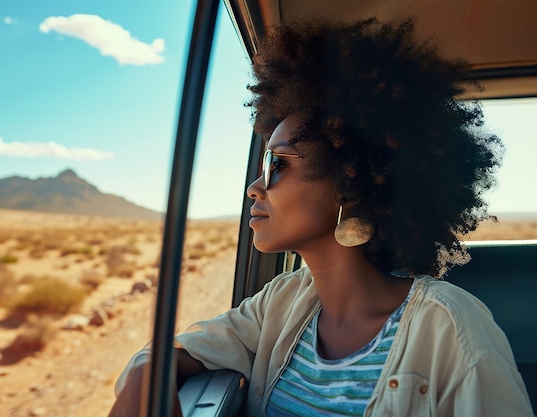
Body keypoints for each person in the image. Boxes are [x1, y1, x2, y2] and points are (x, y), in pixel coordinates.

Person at [110, 18, 534, 417]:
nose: (254, 187)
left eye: (279, 164)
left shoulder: (452, 327)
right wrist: (147, 372)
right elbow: (182, 350)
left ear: (351, 181)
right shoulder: (282, 302)